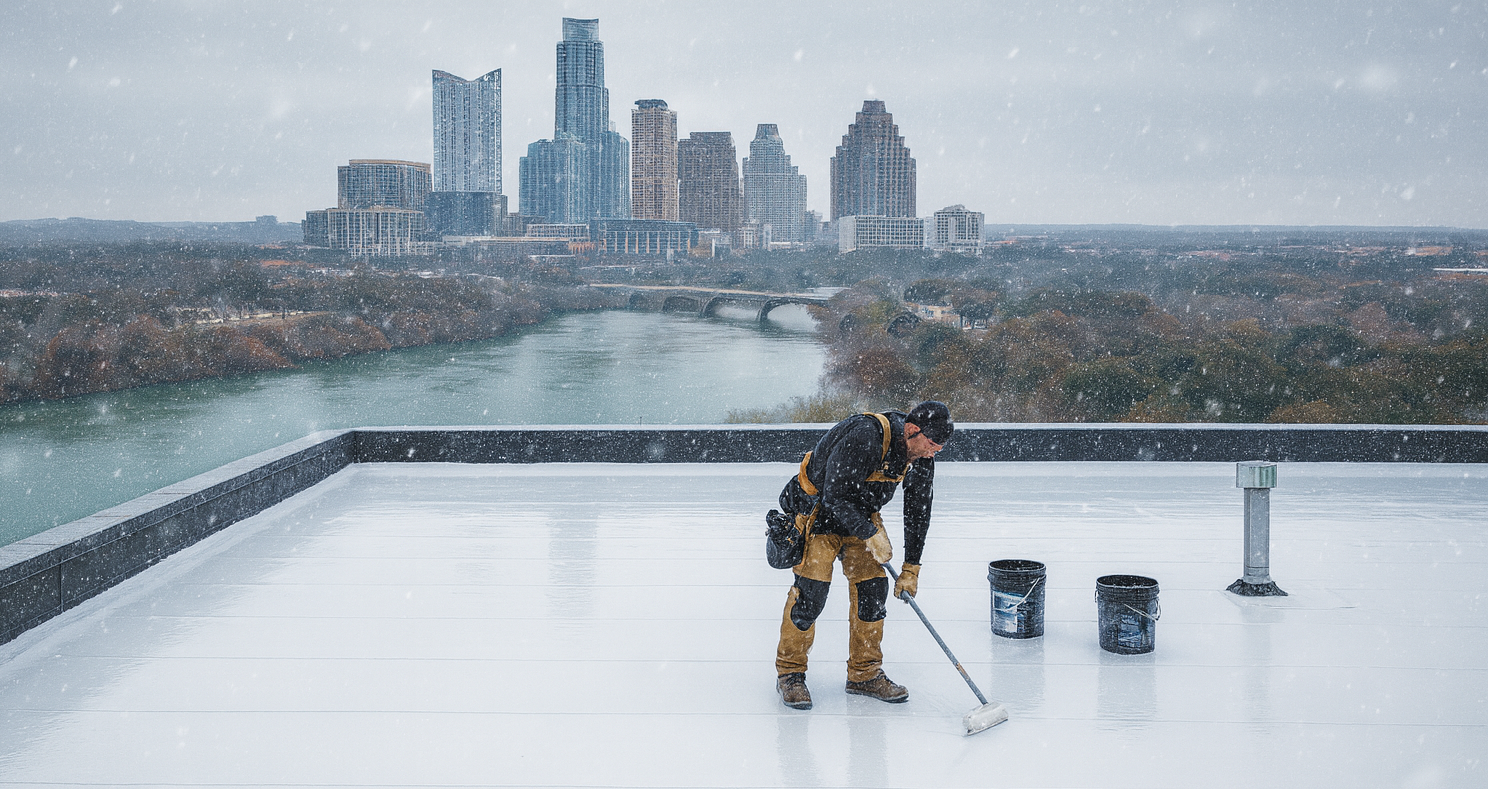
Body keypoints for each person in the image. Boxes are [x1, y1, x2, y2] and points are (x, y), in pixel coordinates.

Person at [774, 400, 954, 710]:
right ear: (912, 430)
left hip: (860, 516)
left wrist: (912, 566)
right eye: (932, 444)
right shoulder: (865, 436)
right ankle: (790, 674)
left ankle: (864, 674)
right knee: (810, 596)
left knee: (872, 592)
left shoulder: (919, 452)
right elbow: (834, 496)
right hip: (820, 516)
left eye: (939, 447)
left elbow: (918, 508)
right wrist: (871, 535)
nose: (934, 452)